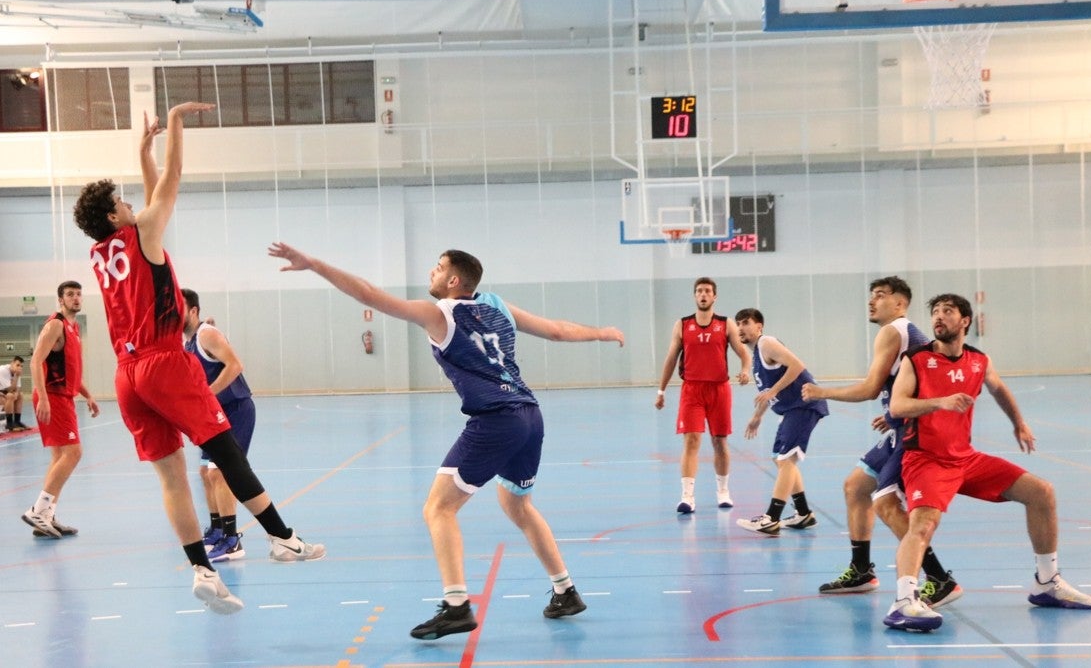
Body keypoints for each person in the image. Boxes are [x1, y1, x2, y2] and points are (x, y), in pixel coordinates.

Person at [268, 242, 624, 640]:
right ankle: (566, 591)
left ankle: (457, 607)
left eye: (437, 269)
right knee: (516, 503)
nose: (431, 274)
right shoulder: (497, 305)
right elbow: (557, 331)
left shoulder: (438, 314)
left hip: (496, 420)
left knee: (438, 508)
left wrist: (314, 264)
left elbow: (368, 295)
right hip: (529, 415)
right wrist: (602, 333)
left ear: (454, 280)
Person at [73, 102, 323, 615]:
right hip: (164, 361)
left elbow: (149, 199)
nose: (130, 204)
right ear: (112, 216)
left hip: (126, 375)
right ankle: (282, 538)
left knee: (171, 476)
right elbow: (174, 177)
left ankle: (202, 570)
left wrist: (143, 149)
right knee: (226, 452)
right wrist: (177, 125)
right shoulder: (142, 233)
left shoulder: (102, 252)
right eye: (122, 201)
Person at [882, 293, 1091, 631]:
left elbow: (998, 389)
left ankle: (1047, 582)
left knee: (1041, 492)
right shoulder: (917, 359)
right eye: (935, 312)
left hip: (965, 458)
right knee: (922, 524)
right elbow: (897, 407)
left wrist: (1018, 423)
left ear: (965, 320)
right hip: (927, 459)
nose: (939, 317)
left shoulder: (978, 360)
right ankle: (904, 602)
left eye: (947, 311)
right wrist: (939, 402)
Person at [801, 277, 960, 607]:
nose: (872, 302)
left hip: (918, 434)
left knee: (885, 504)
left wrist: (821, 391)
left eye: (880, 296)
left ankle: (940, 578)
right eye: (870, 296)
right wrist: (891, 415)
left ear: (900, 304)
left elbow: (871, 388)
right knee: (856, 486)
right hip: (901, 427)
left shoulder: (894, 331)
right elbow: (918, 382)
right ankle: (861, 570)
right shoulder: (905, 334)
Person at [654, 277, 751, 513]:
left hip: (719, 389)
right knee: (691, 440)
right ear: (695, 296)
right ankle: (687, 496)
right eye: (699, 291)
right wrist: (661, 390)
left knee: (719, 442)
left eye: (707, 291)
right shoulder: (683, 324)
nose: (703, 294)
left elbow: (744, 352)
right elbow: (670, 359)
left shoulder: (725, 323)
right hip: (692, 390)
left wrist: (745, 370)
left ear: (714, 296)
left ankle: (723, 491)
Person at [733, 308, 827, 536]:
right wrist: (757, 416)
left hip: (804, 405)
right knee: (779, 458)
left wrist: (773, 390)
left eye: (746, 323)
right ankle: (804, 513)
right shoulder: (756, 356)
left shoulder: (767, 343)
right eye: (738, 324)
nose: (740, 328)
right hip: (791, 409)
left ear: (759, 327)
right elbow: (767, 391)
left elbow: (797, 365)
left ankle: (771, 518)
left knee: (786, 460)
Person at [181, 288, 256, 563]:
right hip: (214, 415)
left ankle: (232, 539)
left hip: (236, 409)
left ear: (193, 311)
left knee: (220, 474)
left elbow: (235, 365)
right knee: (205, 472)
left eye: (180, 307)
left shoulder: (205, 334)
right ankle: (216, 529)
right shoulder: (188, 340)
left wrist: (208, 395)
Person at [23, 280, 101, 539]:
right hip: (52, 397)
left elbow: (71, 371)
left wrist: (88, 395)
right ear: (61, 299)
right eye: (70, 295)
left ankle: (46, 516)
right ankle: (39, 510)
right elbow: (35, 362)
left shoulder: (73, 327)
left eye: (79, 294)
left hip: (64, 395)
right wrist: (43, 398)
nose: (76, 298)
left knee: (59, 457)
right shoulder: (55, 324)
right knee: (74, 453)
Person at [0, 356, 29, 432]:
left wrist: (17, 393)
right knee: (10, 396)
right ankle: (9, 423)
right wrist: (16, 376)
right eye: (17, 365)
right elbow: (10, 389)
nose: (19, 368)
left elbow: (17, 387)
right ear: (12, 363)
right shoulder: (3, 370)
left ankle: (17, 421)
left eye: (21, 366)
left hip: (1, 390)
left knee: (20, 395)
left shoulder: (16, 372)